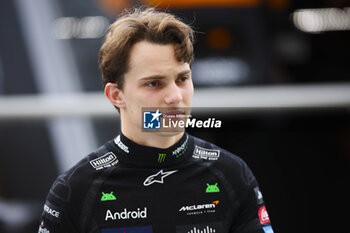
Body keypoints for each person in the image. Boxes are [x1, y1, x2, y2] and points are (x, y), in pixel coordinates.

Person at [38, 7, 274, 233]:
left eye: (182, 79)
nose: (175, 97)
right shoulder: (77, 188)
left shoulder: (231, 174)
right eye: (154, 83)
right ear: (116, 95)